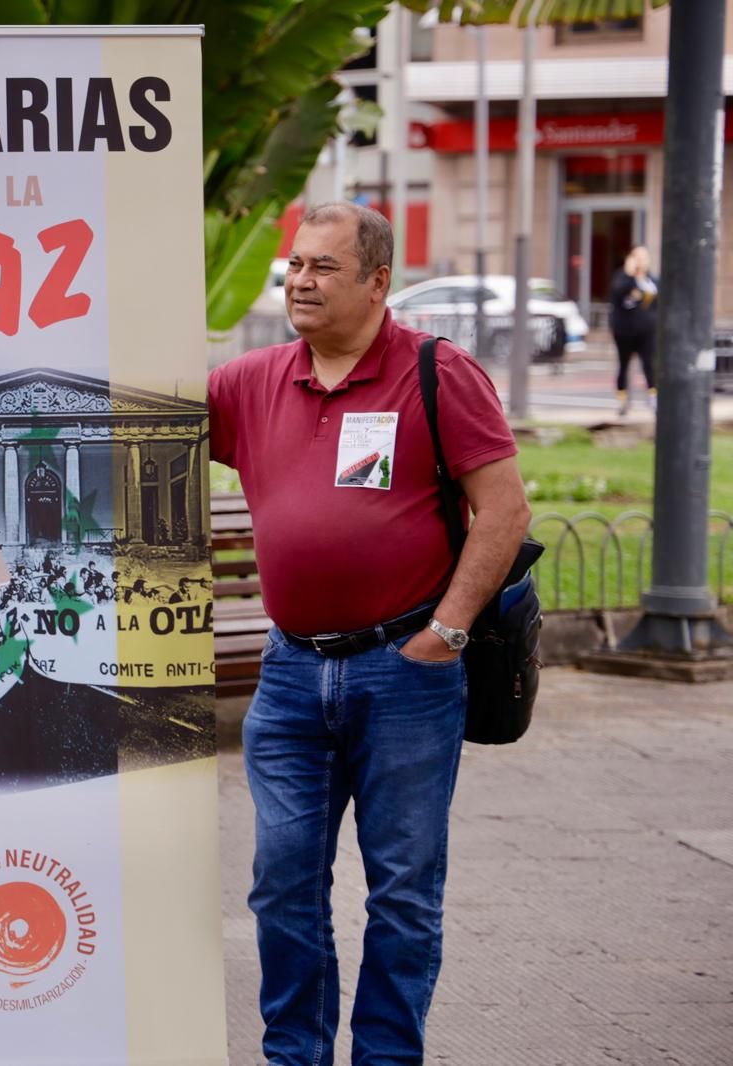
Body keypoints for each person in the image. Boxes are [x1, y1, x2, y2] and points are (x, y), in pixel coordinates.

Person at [208, 202, 530, 1066]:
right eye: (295, 267)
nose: (301, 282)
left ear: (378, 281)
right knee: (282, 888)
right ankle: (296, 1057)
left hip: (405, 674)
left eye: (323, 268)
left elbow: (503, 512)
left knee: (402, 894)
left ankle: (387, 1059)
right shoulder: (251, 380)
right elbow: (137, 434)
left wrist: (449, 632)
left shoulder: (437, 372)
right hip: (288, 679)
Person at [610, 245, 659, 415]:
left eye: (644, 258)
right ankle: (622, 402)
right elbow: (617, 292)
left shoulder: (652, 280)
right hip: (625, 331)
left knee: (649, 365)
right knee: (624, 365)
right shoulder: (622, 279)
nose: (642, 262)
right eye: (638, 258)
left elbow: (658, 303)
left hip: (647, 331)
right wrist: (629, 274)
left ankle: (654, 399)